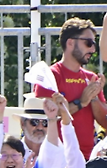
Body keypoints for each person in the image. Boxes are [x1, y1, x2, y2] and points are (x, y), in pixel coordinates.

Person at [34, 17, 107, 159]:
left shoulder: (91, 78)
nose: (93, 49)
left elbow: (104, 122)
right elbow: (43, 119)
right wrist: (81, 102)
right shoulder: (50, 76)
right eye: (88, 43)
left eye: (94, 44)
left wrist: (93, 99)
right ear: (71, 42)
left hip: (88, 159)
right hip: (57, 159)